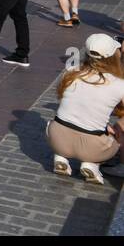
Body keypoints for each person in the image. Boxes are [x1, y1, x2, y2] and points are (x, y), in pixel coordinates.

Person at [47, 34, 124, 185]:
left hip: (56, 139)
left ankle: (61, 157)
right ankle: (92, 164)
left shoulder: (72, 72)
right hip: (92, 147)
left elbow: (78, 105)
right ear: (112, 56)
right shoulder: (119, 83)